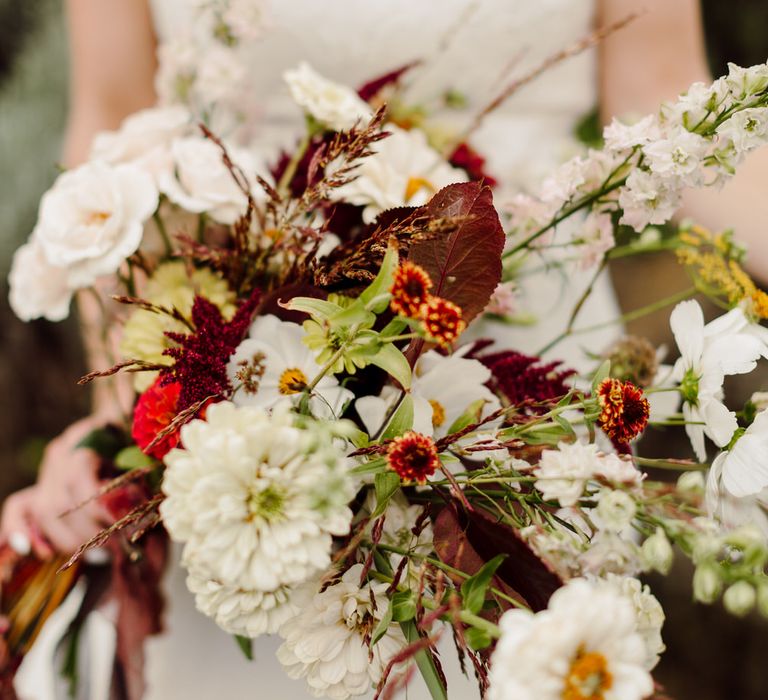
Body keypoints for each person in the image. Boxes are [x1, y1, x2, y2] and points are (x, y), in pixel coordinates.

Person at [4, 0, 768, 697]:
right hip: (247, 362)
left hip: (527, 364)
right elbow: (115, 121)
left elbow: (665, 98)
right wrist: (124, 411)